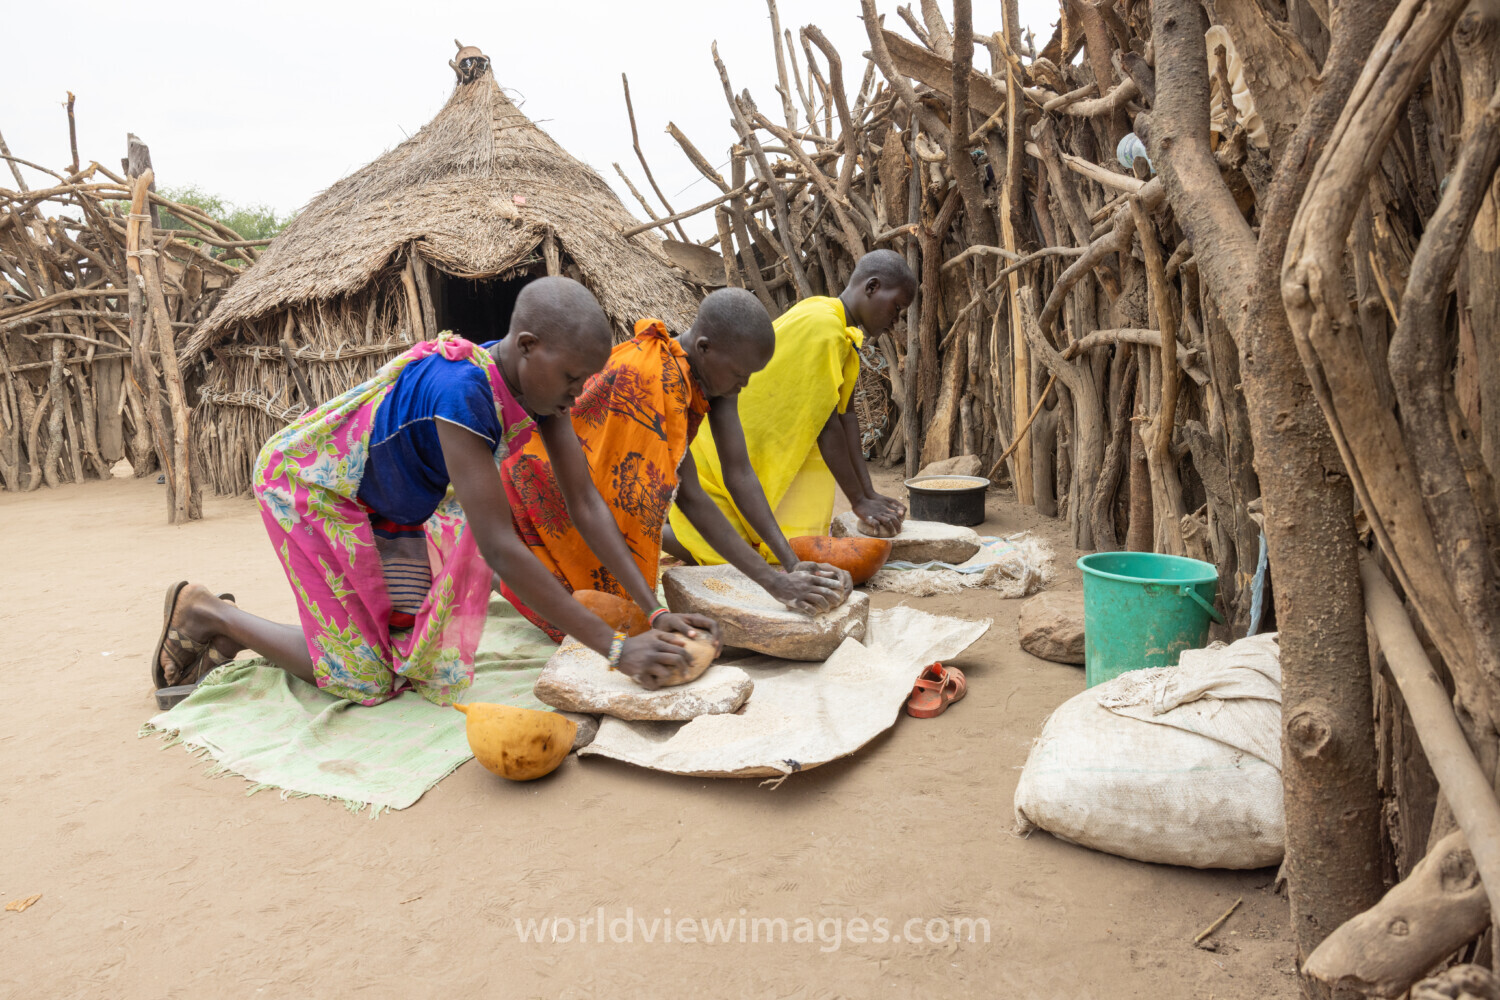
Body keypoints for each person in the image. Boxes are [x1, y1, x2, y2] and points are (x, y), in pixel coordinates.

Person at [149, 277, 716, 705]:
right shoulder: (461, 391)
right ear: (526, 345)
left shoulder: (538, 391)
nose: (579, 392)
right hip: (316, 490)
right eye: (572, 378)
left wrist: (650, 607)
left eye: (585, 380)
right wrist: (616, 649)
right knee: (366, 680)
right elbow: (499, 547)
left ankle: (274, 634)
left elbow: (586, 504)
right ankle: (209, 614)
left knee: (419, 661)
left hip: (396, 511)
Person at [500, 288, 849, 641]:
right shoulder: (654, 380)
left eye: (750, 377)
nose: (743, 385)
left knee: (624, 613)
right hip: (543, 481)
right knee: (600, 621)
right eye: (740, 374)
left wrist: (790, 564)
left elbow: (740, 474)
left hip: (585, 489)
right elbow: (689, 497)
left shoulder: (716, 380)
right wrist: (773, 583)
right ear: (704, 348)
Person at [664, 250, 915, 566]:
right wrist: (858, 502)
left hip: (755, 441)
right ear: (872, 287)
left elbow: (846, 416)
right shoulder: (824, 327)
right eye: (896, 308)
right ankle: (652, 534)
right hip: (730, 441)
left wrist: (868, 494)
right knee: (728, 553)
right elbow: (826, 426)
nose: (896, 321)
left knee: (776, 545)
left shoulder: (835, 324)